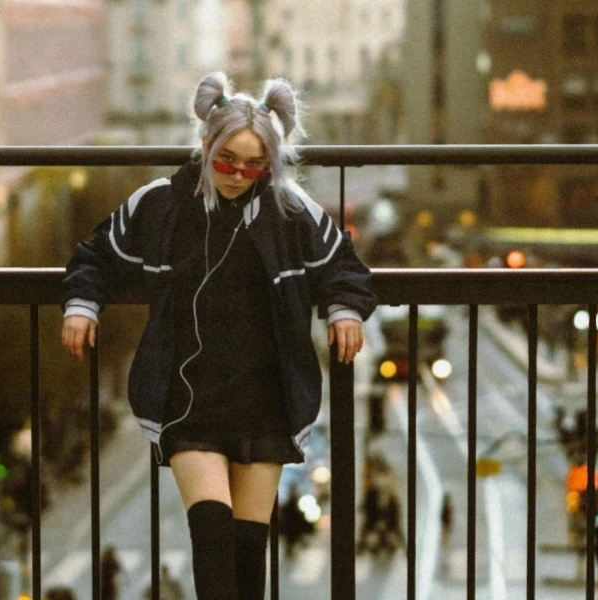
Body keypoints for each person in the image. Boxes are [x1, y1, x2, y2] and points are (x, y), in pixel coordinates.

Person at [62, 71, 376, 600]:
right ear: (206, 144)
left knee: (249, 560)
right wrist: (81, 306)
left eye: (256, 165)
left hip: (267, 400)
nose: (238, 174)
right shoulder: (160, 203)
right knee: (211, 541)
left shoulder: (289, 208)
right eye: (227, 158)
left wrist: (345, 309)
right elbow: (93, 254)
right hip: (189, 402)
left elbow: (345, 265)